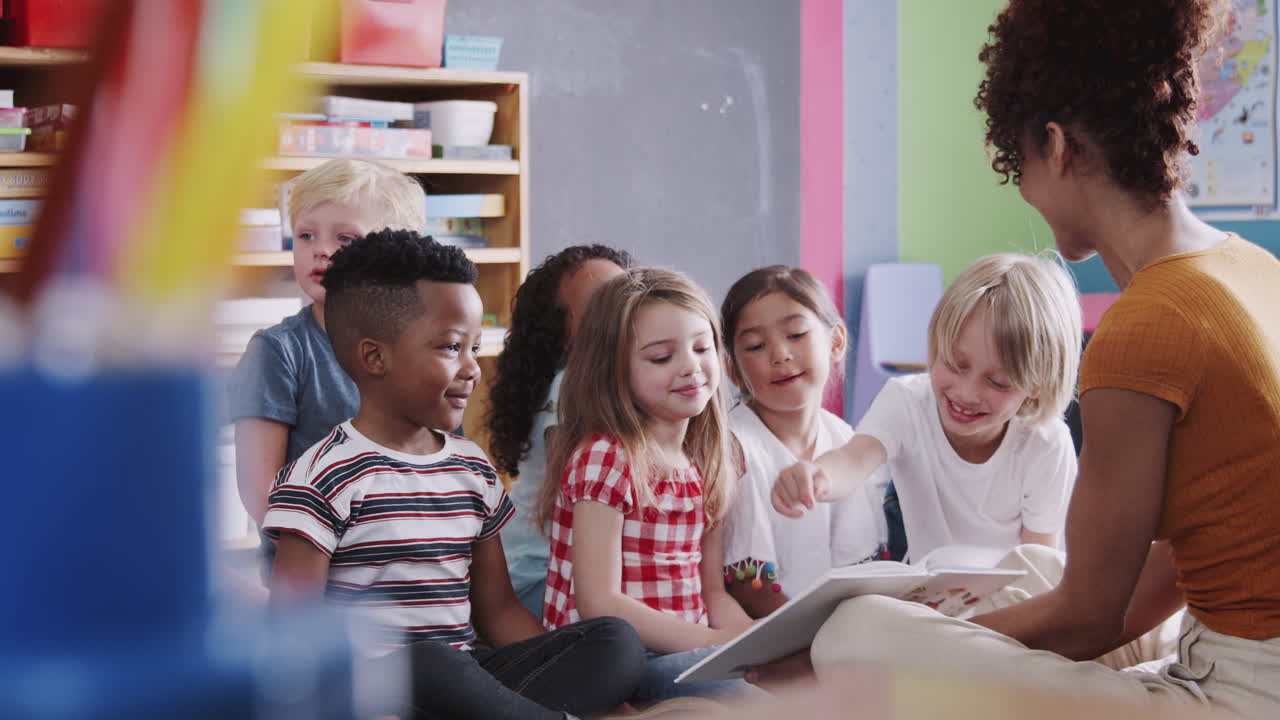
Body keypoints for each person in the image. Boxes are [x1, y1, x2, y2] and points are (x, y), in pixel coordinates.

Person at [807, 1, 1280, 717]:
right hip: (1235, 650)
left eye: (1019, 164)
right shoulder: (1253, 268)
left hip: (1234, 693)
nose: (1024, 190)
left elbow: (1088, 618)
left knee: (854, 633)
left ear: (1056, 146)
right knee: (1029, 568)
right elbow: (1179, 570)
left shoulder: (1147, 325)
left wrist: (945, 643)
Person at [264, 231, 645, 720]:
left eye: (475, 348)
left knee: (615, 641)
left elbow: (499, 610)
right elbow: (293, 633)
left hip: (469, 685)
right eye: (450, 348)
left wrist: (557, 660)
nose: (472, 370)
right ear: (374, 357)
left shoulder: (471, 467)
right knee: (423, 660)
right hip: (379, 692)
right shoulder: (322, 477)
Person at [536, 267, 756, 700]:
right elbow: (599, 603)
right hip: (614, 661)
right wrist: (713, 645)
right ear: (612, 371)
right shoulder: (606, 457)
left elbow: (711, 590)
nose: (691, 368)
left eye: (701, 347)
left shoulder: (709, 457)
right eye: (661, 358)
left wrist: (749, 638)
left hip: (685, 650)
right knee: (750, 705)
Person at [774, 253, 1081, 562]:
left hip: (1011, 599)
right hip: (930, 594)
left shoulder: (1045, 444)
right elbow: (853, 460)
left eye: (998, 382)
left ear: (1036, 385)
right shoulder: (907, 401)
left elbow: (1037, 567)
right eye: (955, 364)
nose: (967, 393)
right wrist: (818, 476)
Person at [228, 158, 426, 527]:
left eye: (345, 238)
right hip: (317, 573)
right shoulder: (277, 351)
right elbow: (260, 494)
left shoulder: (421, 348)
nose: (321, 249)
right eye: (306, 235)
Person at [718, 265, 889, 618]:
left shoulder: (846, 439)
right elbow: (747, 584)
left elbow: (859, 567)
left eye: (796, 334)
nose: (780, 354)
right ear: (734, 370)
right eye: (755, 345)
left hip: (836, 624)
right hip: (768, 632)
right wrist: (809, 640)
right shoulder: (734, 444)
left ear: (836, 342)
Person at [486, 245, 633, 618]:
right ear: (563, 332)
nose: (624, 313)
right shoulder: (571, 389)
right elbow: (582, 503)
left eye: (630, 295)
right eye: (601, 307)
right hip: (540, 578)